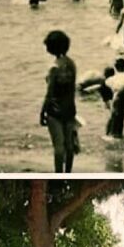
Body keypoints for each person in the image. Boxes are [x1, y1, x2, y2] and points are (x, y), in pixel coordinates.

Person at [40, 30, 78, 173]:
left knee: (59, 146)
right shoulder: (71, 64)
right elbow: (72, 88)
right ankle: (68, 173)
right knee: (69, 145)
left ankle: (58, 174)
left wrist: (42, 111)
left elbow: (50, 93)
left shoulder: (54, 68)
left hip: (55, 110)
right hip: (70, 108)